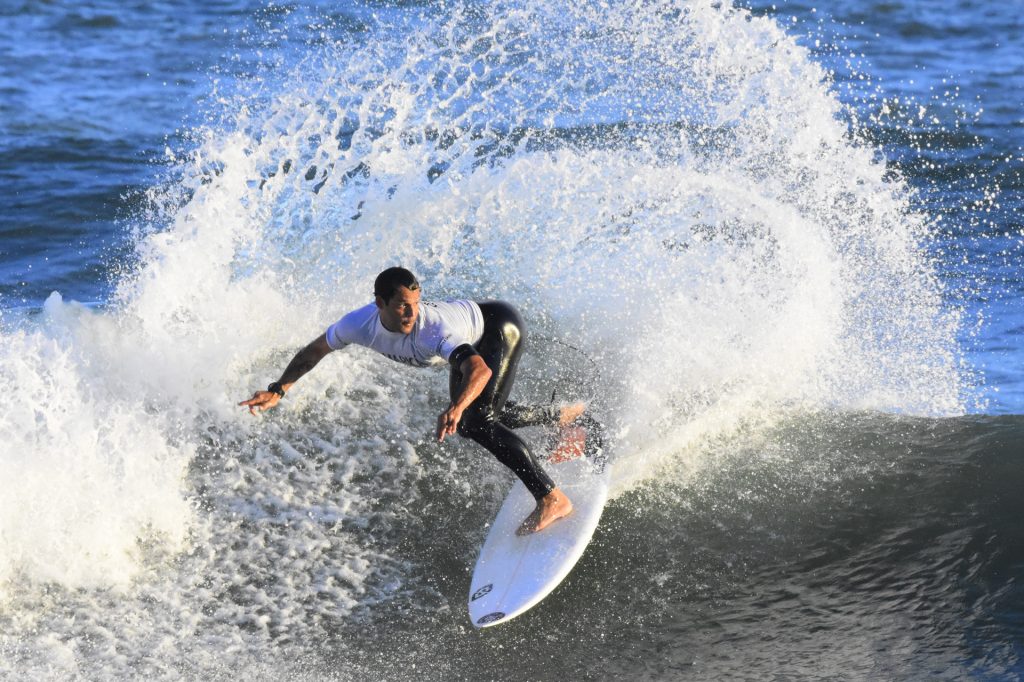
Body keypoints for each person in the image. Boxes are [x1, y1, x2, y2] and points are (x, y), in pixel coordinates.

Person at [239, 267, 584, 534]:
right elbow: (315, 350)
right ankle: (559, 415)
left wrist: (457, 406)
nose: (411, 313)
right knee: (484, 414)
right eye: (403, 305)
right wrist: (278, 388)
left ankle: (552, 499)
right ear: (380, 304)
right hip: (472, 337)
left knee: (476, 421)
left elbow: (478, 370)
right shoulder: (358, 325)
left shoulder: (431, 329)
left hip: (497, 327)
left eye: (416, 304)